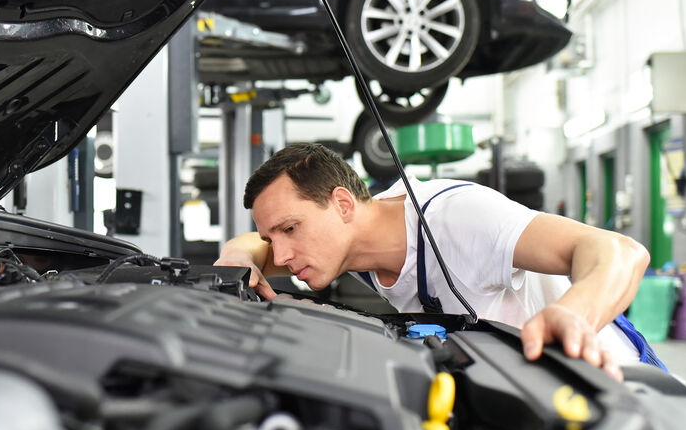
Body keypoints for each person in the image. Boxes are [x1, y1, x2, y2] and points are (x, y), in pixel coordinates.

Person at [216, 143, 656, 380]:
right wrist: (238, 254)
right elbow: (258, 250)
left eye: (290, 229)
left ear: (343, 204)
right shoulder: (344, 242)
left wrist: (572, 315)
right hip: (521, 386)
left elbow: (620, 251)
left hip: (621, 385)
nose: (282, 253)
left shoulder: (458, 217)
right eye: (271, 236)